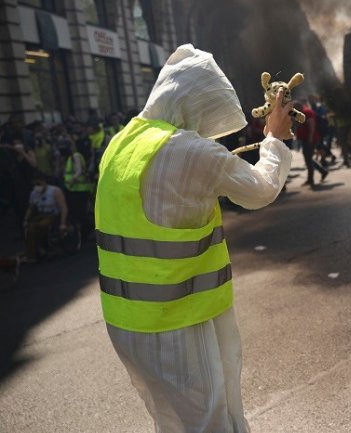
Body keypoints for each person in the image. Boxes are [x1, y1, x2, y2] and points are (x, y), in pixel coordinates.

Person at [94, 44, 293, 433]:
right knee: (210, 424)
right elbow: (261, 189)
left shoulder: (121, 143)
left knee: (171, 422)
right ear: (194, 104)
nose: (205, 128)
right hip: (179, 322)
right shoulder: (188, 150)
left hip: (126, 324)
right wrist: (275, 138)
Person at [21, 172, 68, 263]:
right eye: (35, 184)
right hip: (41, 214)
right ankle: (33, 252)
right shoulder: (34, 193)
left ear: (44, 182)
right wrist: (25, 220)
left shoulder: (55, 191)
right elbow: (30, 208)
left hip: (53, 215)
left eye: (38, 184)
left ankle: (36, 252)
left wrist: (63, 223)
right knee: (30, 228)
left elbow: (63, 208)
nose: (36, 186)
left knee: (39, 226)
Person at [295, 100, 328, 186]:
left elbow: (312, 125)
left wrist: (310, 138)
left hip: (310, 140)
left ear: (298, 107)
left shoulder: (306, 112)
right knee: (308, 158)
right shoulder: (303, 112)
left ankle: (311, 179)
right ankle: (322, 171)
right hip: (307, 139)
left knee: (308, 159)